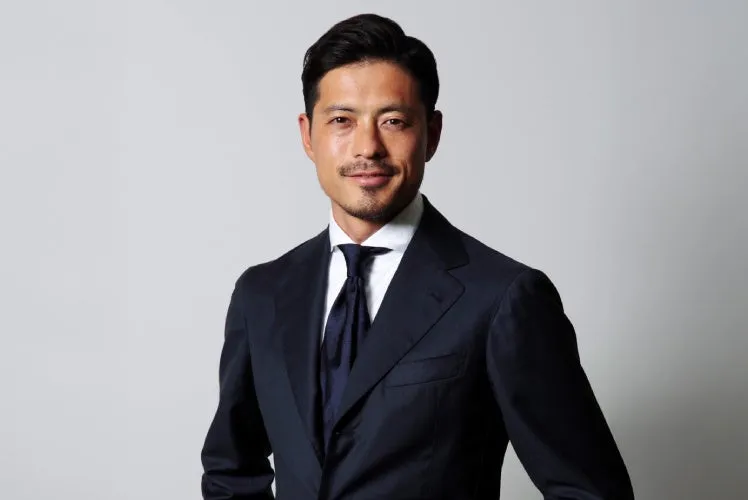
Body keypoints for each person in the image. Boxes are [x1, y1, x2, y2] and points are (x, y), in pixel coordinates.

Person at [200, 13, 634, 500]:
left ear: (432, 132)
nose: (368, 147)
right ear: (307, 135)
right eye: (342, 121)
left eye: (394, 121)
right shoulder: (261, 294)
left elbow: (590, 491)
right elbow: (231, 471)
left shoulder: (502, 298)